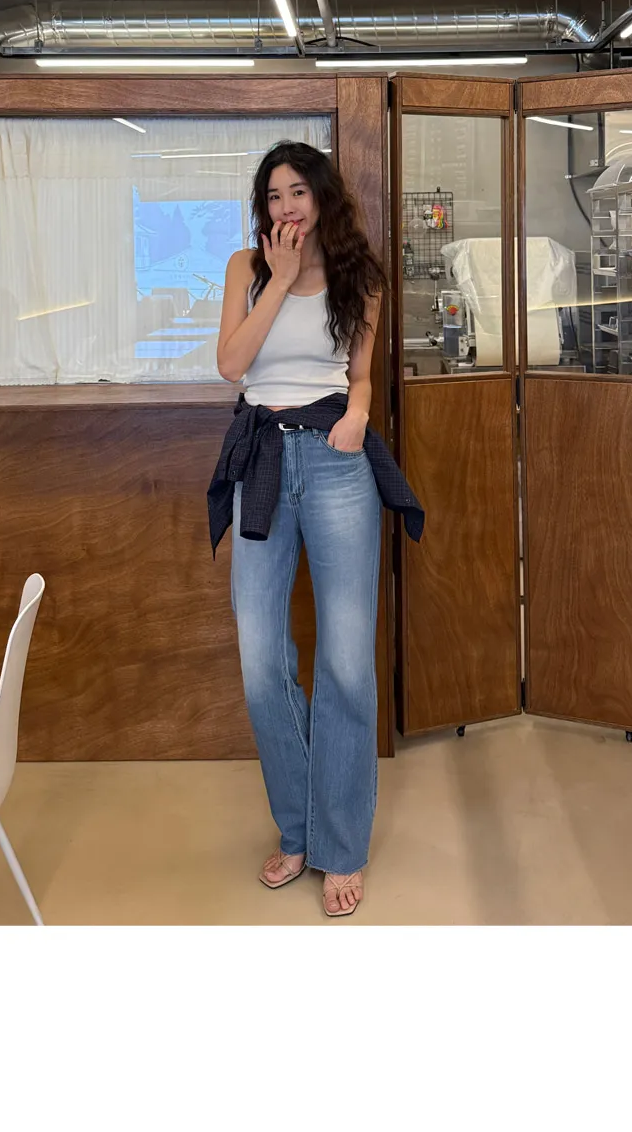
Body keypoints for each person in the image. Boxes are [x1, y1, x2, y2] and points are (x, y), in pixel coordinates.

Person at [209, 142, 422, 919]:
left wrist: (359, 416)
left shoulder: (361, 275)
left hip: (336, 461)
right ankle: (297, 827)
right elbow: (232, 364)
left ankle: (340, 845)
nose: (286, 207)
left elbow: (359, 377)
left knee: (346, 663)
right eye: (273, 196)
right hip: (262, 456)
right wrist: (280, 279)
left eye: (297, 191)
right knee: (262, 659)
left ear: (323, 196)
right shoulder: (245, 267)